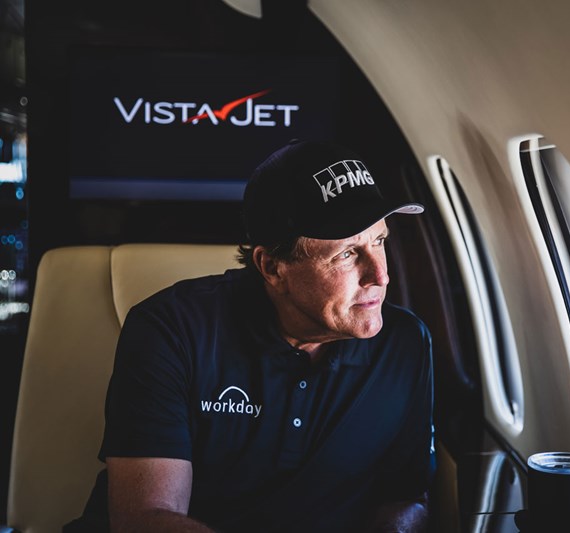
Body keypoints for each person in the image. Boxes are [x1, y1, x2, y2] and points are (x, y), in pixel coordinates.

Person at [67, 139, 436, 532]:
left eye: (379, 241)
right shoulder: (171, 331)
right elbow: (145, 519)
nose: (380, 275)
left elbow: (407, 497)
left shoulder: (405, 343)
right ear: (273, 268)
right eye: (346, 254)